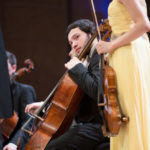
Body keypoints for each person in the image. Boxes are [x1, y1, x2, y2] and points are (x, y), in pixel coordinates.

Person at [25, 19, 110, 150]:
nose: (74, 44)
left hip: (100, 125)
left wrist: (77, 68)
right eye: (71, 43)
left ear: (91, 33)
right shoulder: (85, 60)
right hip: (86, 125)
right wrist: (46, 105)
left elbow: (98, 93)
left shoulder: (99, 55)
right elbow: (69, 99)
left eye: (77, 37)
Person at [96, 0, 150, 150]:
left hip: (128, 53)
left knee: (129, 112)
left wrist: (111, 46)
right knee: (127, 111)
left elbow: (144, 25)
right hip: (128, 51)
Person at [3, 51, 36, 150]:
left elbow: (28, 121)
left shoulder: (25, 90)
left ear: (14, 68)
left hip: (11, 145)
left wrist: (14, 143)